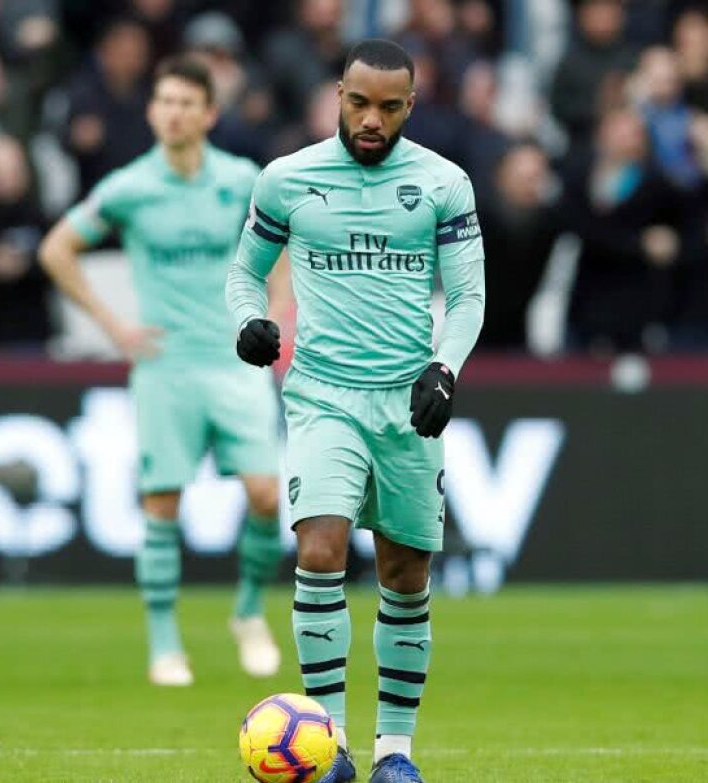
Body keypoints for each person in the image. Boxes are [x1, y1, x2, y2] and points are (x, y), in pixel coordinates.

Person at [227, 39, 486, 783]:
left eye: (390, 106)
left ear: (412, 104)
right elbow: (244, 272)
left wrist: (445, 366)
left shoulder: (443, 183)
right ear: (338, 93)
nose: (372, 120)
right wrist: (250, 320)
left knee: (405, 570)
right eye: (359, 102)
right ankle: (328, 742)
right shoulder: (288, 179)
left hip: (408, 398)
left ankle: (395, 753)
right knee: (319, 548)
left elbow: (467, 295)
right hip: (322, 395)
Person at [38, 56, 287, 687]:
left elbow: (284, 245)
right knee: (162, 504)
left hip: (235, 363)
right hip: (165, 366)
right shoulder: (130, 187)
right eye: (164, 101)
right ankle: (164, 642)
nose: (172, 112)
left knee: (264, 494)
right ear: (152, 111)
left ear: (209, 114)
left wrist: (275, 316)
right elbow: (56, 249)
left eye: (185, 102)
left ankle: (249, 612)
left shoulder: (241, 180)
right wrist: (112, 325)